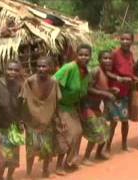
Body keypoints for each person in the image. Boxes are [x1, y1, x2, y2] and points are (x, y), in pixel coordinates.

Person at [21, 56, 62, 178]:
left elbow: (56, 101)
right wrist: (23, 120)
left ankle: (45, 170)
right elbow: (23, 101)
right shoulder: (29, 82)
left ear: (49, 68)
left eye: (44, 66)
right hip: (32, 122)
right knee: (31, 149)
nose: (41, 69)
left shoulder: (54, 82)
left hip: (48, 121)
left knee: (47, 148)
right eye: (39, 66)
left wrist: (58, 117)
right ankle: (28, 172)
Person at [54, 44, 91, 172]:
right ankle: (59, 165)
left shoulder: (86, 72)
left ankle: (70, 162)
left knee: (78, 132)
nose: (83, 57)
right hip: (61, 106)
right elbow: (54, 81)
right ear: (76, 55)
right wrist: (57, 99)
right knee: (67, 135)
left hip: (73, 107)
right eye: (81, 55)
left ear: (90, 57)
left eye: (86, 55)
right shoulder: (69, 67)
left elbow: (83, 92)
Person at [106, 31, 138, 152]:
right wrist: (118, 78)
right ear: (120, 40)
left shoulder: (130, 54)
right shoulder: (114, 54)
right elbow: (107, 71)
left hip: (126, 92)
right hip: (115, 93)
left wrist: (135, 78)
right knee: (113, 122)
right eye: (123, 39)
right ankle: (107, 146)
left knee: (125, 121)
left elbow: (130, 71)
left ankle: (124, 145)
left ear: (132, 41)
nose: (125, 42)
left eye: (128, 39)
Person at [81, 50, 116, 164]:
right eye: (105, 58)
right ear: (99, 60)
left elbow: (100, 88)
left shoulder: (106, 73)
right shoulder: (96, 71)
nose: (108, 60)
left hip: (96, 108)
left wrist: (110, 91)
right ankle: (86, 157)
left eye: (110, 58)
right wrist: (105, 94)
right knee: (97, 132)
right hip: (88, 106)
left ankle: (98, 154)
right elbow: (88, 89)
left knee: (106, 131)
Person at [0, 61, 23, 180]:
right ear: (4, 70)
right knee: (2, 156)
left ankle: (10, 176)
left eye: (15, 70)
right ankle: (0, 177)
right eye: (10, 69)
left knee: (14, 157)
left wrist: (21, 122)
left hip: (14, 126)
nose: (12, 72)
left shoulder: (19, 86)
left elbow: (20, 105)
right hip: (0, 126)